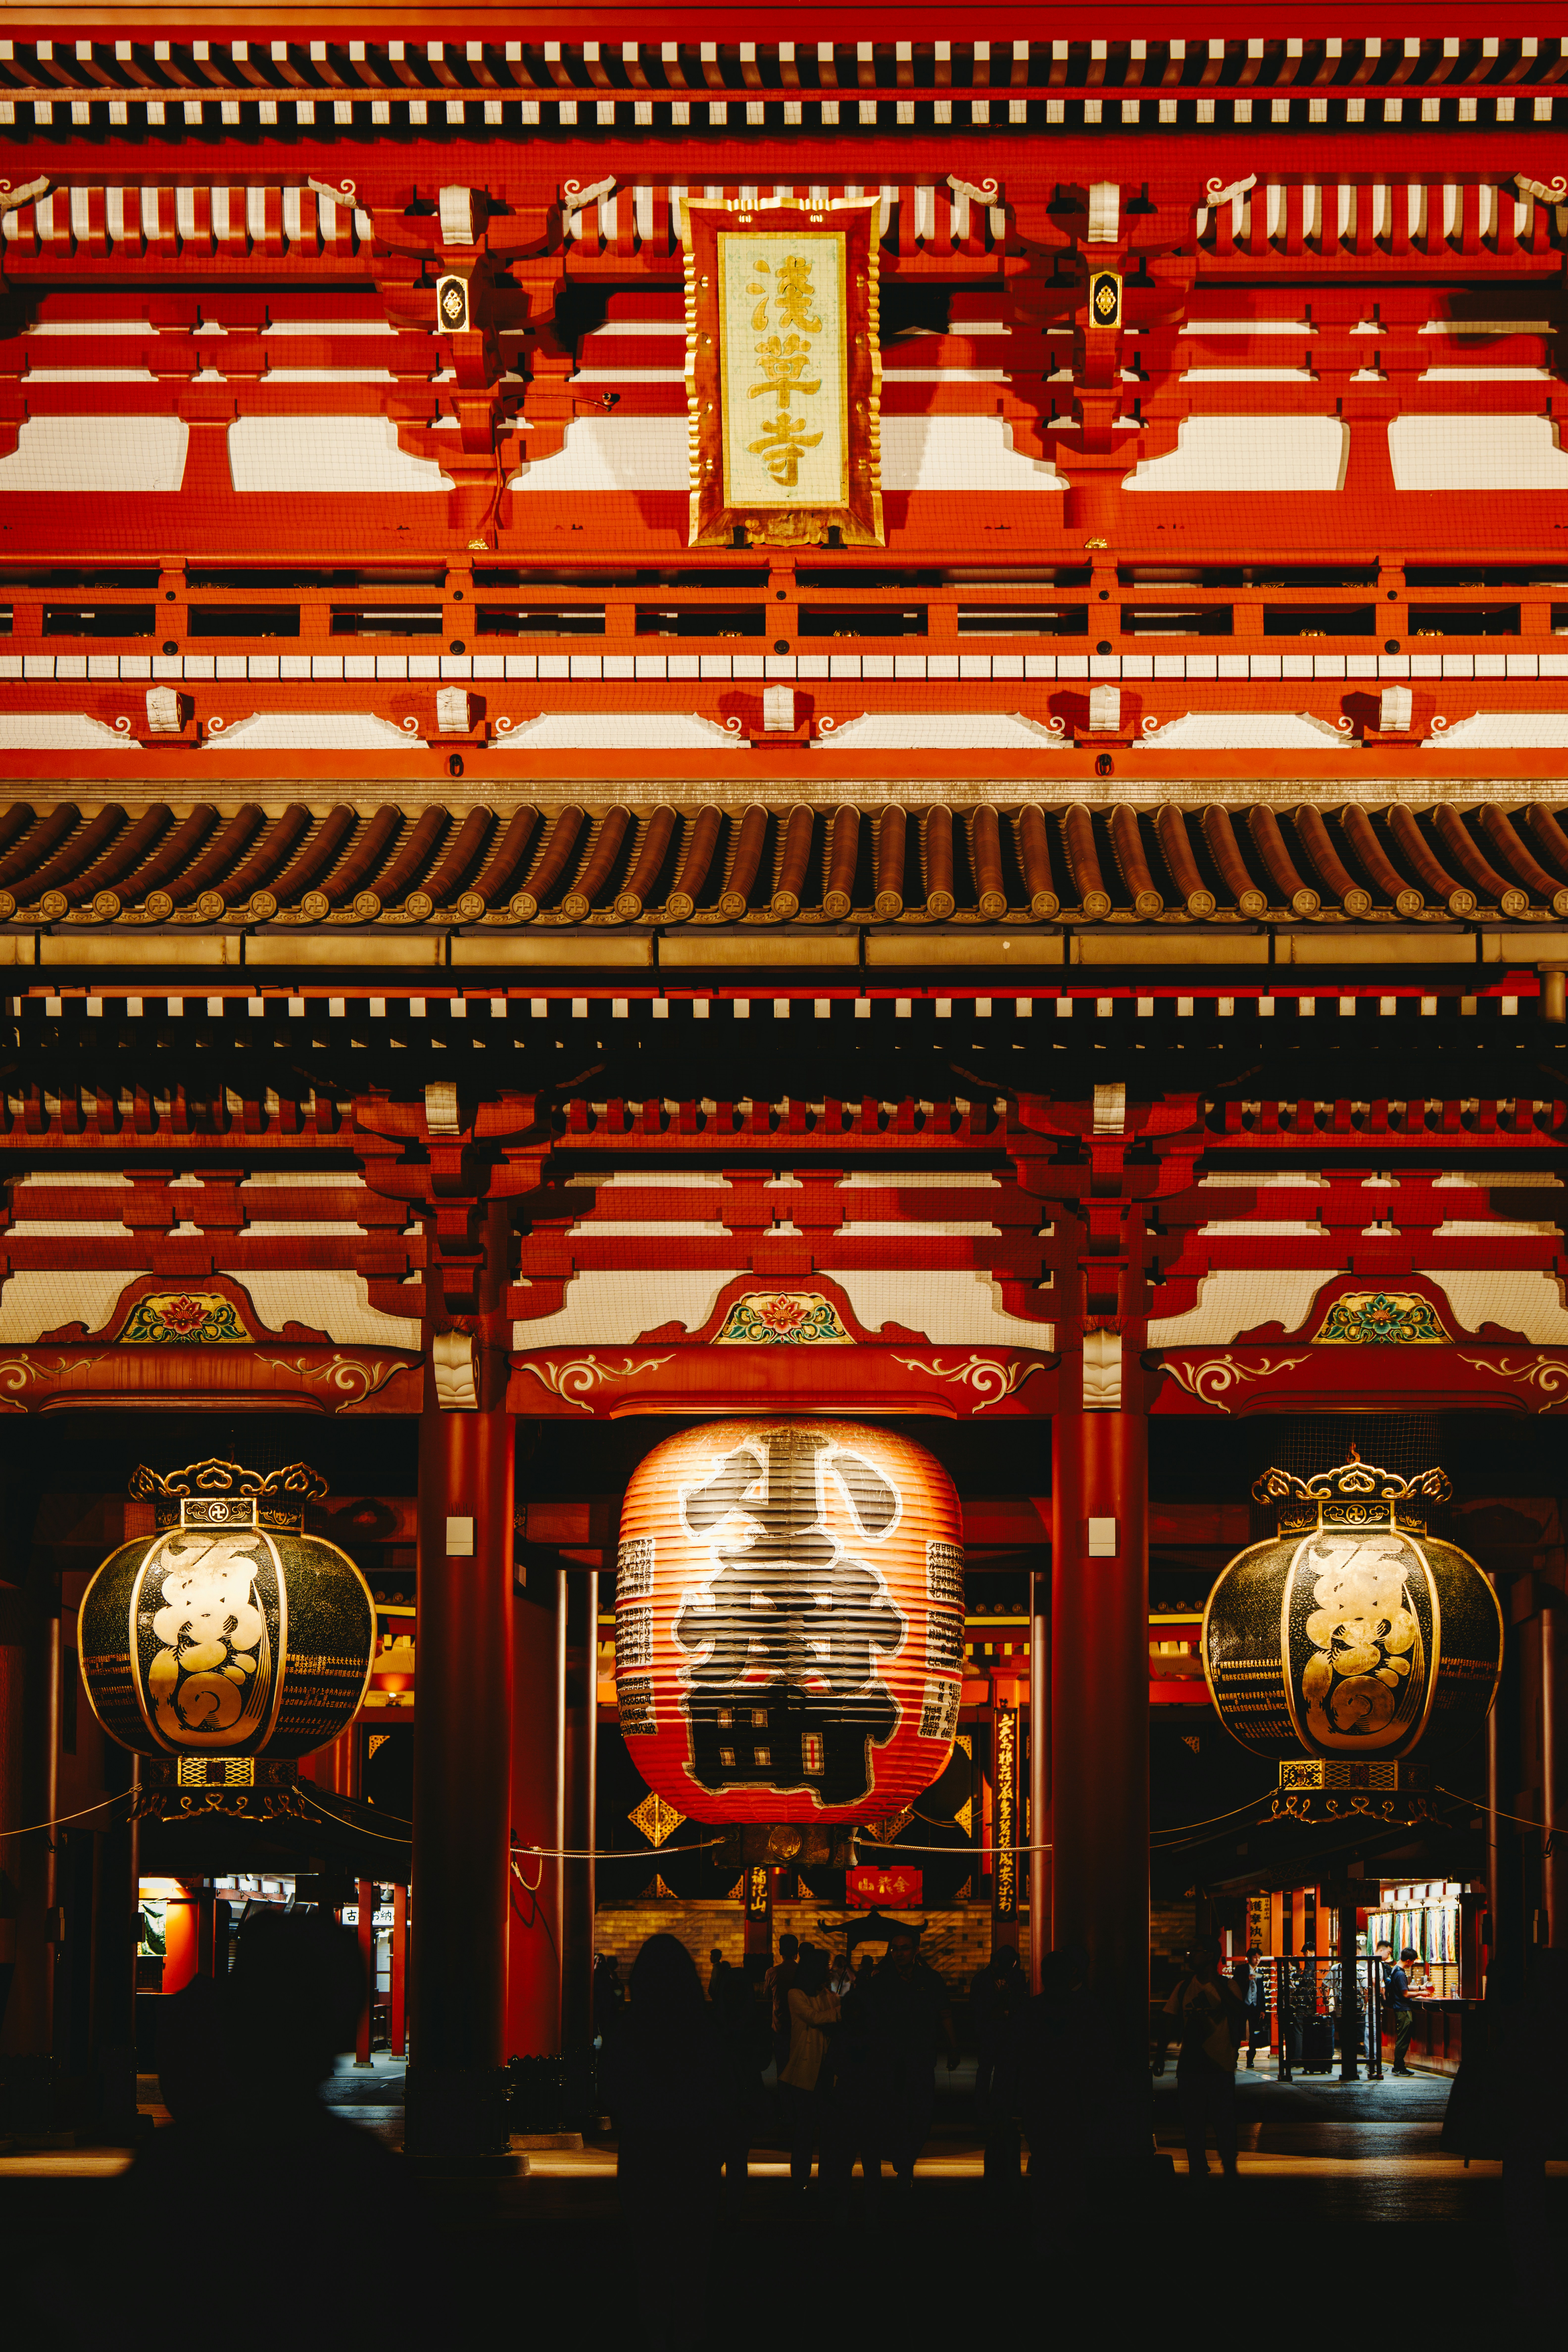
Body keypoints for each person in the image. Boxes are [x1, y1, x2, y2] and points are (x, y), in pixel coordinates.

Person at [601, 1935, 731, 2351]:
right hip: (695, 2151)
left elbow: (612, 2091)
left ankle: (654, 2328)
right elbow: (722, 2090)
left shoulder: (629, 2028)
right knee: (694, 2249)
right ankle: (692, 2327)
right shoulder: (706, 2027)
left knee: (649, 2249)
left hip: (645, 2150)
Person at [863, 1923, 958, 2195]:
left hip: (921, 2056)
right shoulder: (881, 1981)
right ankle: (903, 2162)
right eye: (894, 1949)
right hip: (889, 2059)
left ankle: (906, 2159)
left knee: (922, 2113)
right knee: (895, 2113)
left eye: (904, 1949)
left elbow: (945, 2014)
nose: (899, 1954)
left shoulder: (931, 1980)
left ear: (916, 1951)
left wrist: (953, 2046)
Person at [1155, 1937, 1244, 2180]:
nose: (1191, 1956)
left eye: (1196, 1952)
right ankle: (1197, 2164)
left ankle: (1229, 2165)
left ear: (1210, 1956)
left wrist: (1217, 1982)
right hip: (1191, 2064)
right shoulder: (1184, 1987)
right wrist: (1161, 2055)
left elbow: (1238, 2011)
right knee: (1192, 2121)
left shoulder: (1229, 1986)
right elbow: (1169, 2020)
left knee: (1223, 2119)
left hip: (1220, 2065)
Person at [779, 1941, 841, 2192]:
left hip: (827, 2071)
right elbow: (815, 2019)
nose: (828, 1971)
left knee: (828, 2132)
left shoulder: (828, 1994)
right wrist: (842, 2011)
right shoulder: (796, 1995)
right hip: (805, 2072)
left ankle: (825, 2178)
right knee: (805, 2131)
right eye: (825, 1967)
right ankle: (801, 2179)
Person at [765, 1931, 799, 2077]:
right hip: (799, 2026)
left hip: (779, 2025)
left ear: (780, 1952)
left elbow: (767, 1996)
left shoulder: (772, 1972)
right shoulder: (802, 1971)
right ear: (797, 1952)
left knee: (782, 2067)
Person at [1231, 1948, 1268, 2070]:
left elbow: (1261, 1992)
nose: (1258, 1960)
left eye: (1259, 1958)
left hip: (1255, 2007)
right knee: (1239, 2032)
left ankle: (1251, 2060)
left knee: (1255, 2034)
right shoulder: (1241, 1969)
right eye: (1255, 1957)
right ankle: (1234, 2058)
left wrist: (1263, 2009)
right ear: (1249, 1958)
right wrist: (1247, 1979)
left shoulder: (1260, 1972)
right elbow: (1234, 1984)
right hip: (1243, 2006)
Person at [1388, 1946, 1417, 2074]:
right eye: (1414, 1962)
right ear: (1409, 1961)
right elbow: (1405, 1994)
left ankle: (1400, 2066)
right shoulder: (1401, 1973)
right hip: (1403, 2009)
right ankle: (1399, 2067)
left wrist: (1420, 1987)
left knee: (1403, 2037)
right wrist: (1422, 1992)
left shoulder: (1395, 1969)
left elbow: (1403, 1988)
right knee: (1403, 2039)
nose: (1413, 1964)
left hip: (1398, 2007)